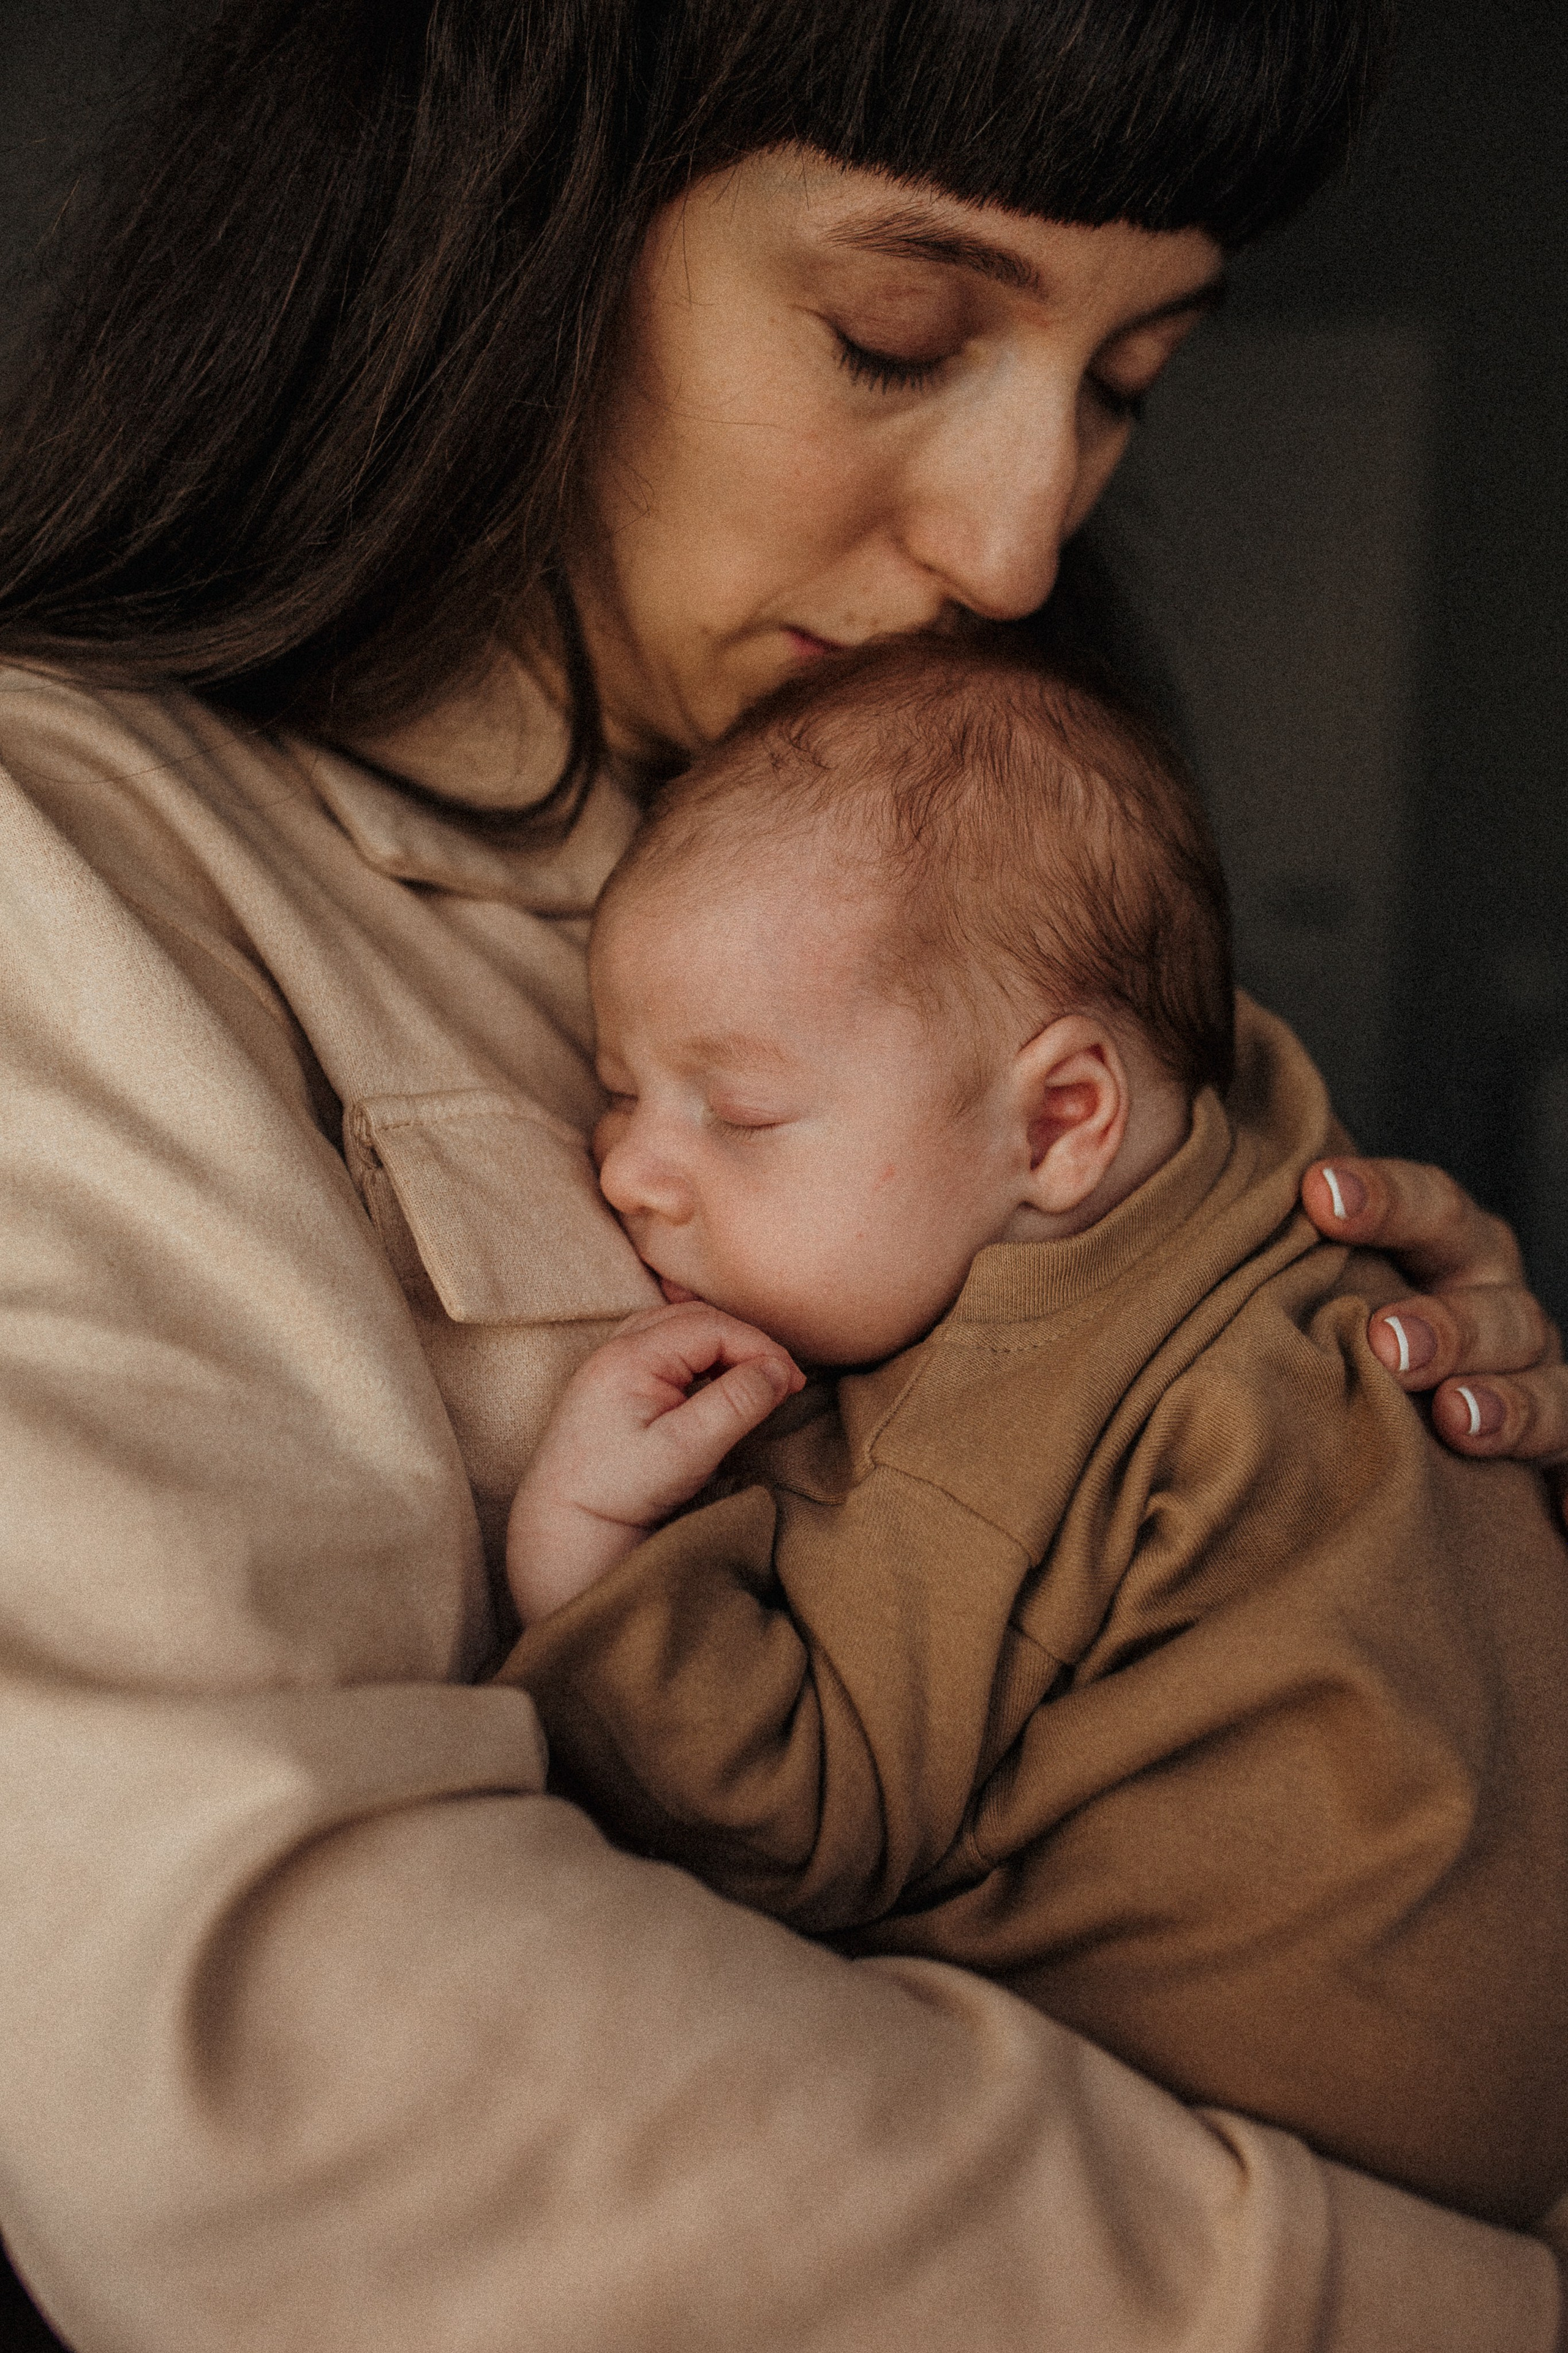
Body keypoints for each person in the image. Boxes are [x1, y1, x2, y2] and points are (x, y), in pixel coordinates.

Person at [0, 2, 1564, 2347]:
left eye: (1128, 379)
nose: (1024, 538)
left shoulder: (1001, 865)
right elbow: (246, 2049)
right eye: (895, 333)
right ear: (502, 219)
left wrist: (1415, 1461)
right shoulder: (81, 863)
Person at [503, 635, 1568, 2229]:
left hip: (1271, 2123)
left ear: (1063, 1119)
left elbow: (806, 1803)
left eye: (735, 1109)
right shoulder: (1271, 1178)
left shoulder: (1005, 1397)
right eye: (615, 1088)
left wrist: (590, 1570)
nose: (632, 1171)